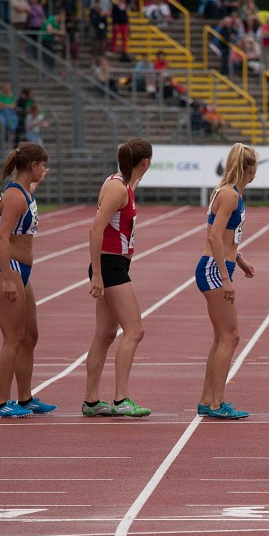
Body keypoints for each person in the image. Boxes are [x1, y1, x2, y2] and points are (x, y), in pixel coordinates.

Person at [82, 138, 153, 418]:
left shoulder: (124, 185)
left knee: (105, 334)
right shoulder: (116, 187)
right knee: (135, 331)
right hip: (109, 266)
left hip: (114, 264)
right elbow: (95, 229)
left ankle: (91, 401)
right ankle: (121, 398)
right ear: (145, 162)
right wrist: (97, 274)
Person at [0, 143, 57, 418]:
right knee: (13, 338)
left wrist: (38, 181)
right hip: (9, 270)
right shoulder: (15, 197)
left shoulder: (23, 191)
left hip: (21, 271)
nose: (44, 169)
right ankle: (3, 402)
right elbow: (2, 237)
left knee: (30, 336)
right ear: (32, 166)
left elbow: (29, 193)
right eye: (42, 165)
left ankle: (25, 398)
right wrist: (6, 278)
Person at [197, 144, 257, 420]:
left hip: (219, 266)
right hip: (214, 270)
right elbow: (212, 237)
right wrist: (225, 276)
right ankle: (215, 403)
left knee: (221, 337)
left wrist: (239, 259)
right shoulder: (231, 195)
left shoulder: (229, 194)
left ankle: (208, 399)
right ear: (248, 168)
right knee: (231, 336)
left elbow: (224, 237)